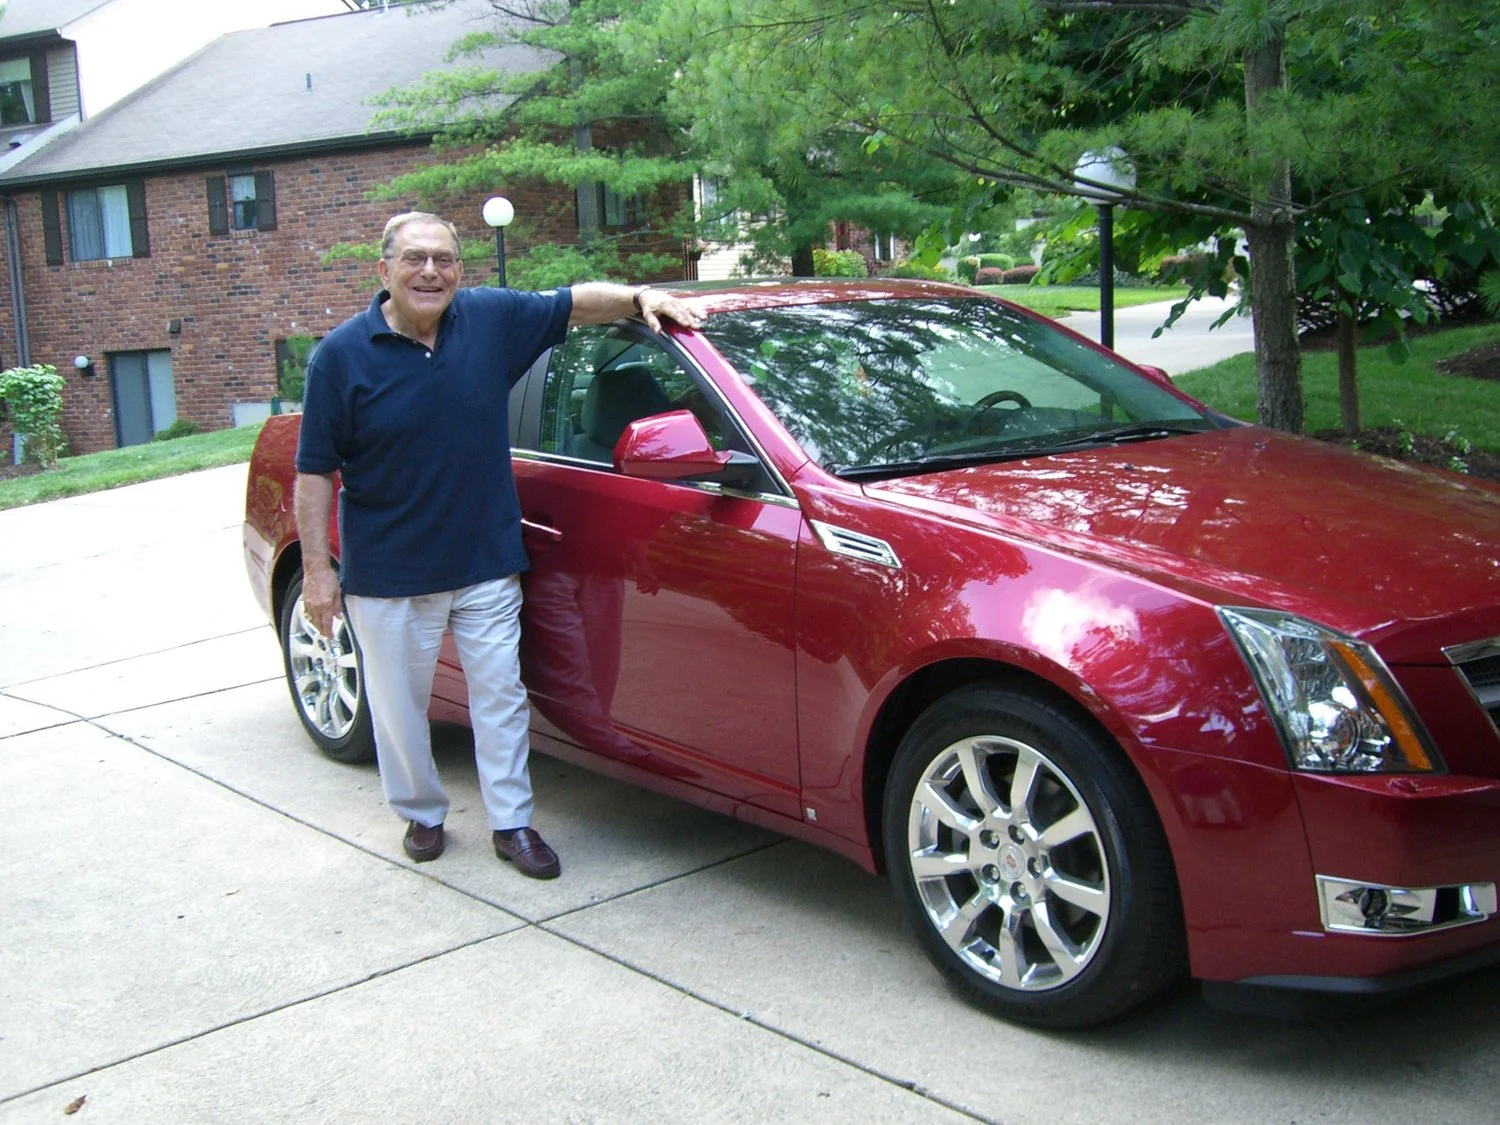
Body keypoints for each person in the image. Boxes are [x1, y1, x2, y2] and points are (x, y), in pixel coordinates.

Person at [293, 210, 704, 877]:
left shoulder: (488, 318)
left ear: (461, 269)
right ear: (384, 270)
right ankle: (422, 811)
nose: (431, 272)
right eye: (415, 259)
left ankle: (512, 824)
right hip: (390, 572)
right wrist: (318, 570)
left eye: (445, 259)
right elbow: (314, 472)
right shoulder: (340, 357)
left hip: (484, 561)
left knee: (501, 699)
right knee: (398, 709)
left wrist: (638, 298)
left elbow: (572, 303)